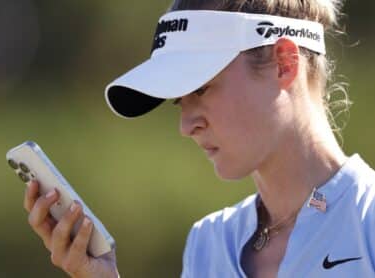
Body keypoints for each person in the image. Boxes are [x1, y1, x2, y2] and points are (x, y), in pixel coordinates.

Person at [24, 0, 375, 277]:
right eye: (179, 101)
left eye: (202, 88)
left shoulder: (368, 218)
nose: (186, 125)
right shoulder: (208, 242)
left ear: (284, 63)